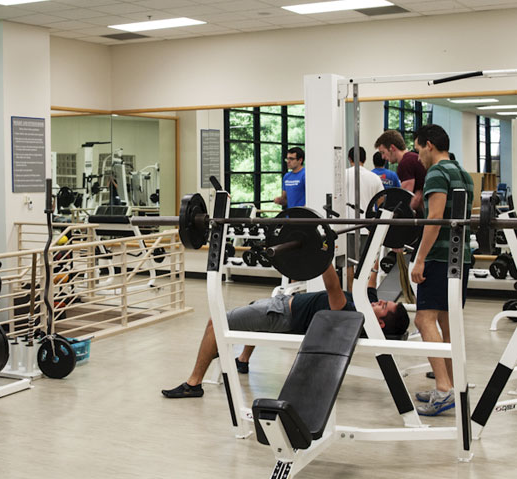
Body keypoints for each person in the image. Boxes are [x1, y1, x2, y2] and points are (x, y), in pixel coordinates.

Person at [162, 262, 410, 398]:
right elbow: (369, 282)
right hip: (280, 308)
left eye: (383, 306)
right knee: (251, 311)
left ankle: (193, 384)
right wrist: (376, 262)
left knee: (215, 323)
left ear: (380, 324)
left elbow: (332, 285)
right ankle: (243, 359)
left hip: (280, 316)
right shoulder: (366, 306)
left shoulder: (350, 315)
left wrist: (321, 255)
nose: (378, 302)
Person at [410, 124, 474, 416]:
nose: (418, 155)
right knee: (448, 322)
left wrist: (420, 258)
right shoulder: (462, 172)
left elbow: (434, 218)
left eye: (418, 148)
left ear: (430, 145)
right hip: (461, 258)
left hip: (438, 257)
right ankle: (454, 384)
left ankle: (444, 390)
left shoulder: (437, 173)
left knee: (424, 319)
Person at [344, 146, 384, 290]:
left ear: (349, 159)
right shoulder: (374, 177)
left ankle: (351, 293)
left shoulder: (343, 175)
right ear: (365, 159)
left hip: (348, 227)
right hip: (367, 227)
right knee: (368, 262)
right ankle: (369, 293)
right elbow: (381, 203)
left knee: (349, 264)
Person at [374, 130, 426, 211]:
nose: (383, 157)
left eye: (383, 152)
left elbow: (404, 198)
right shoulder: (412, 158)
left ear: (392, 148)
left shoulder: (405, 163)